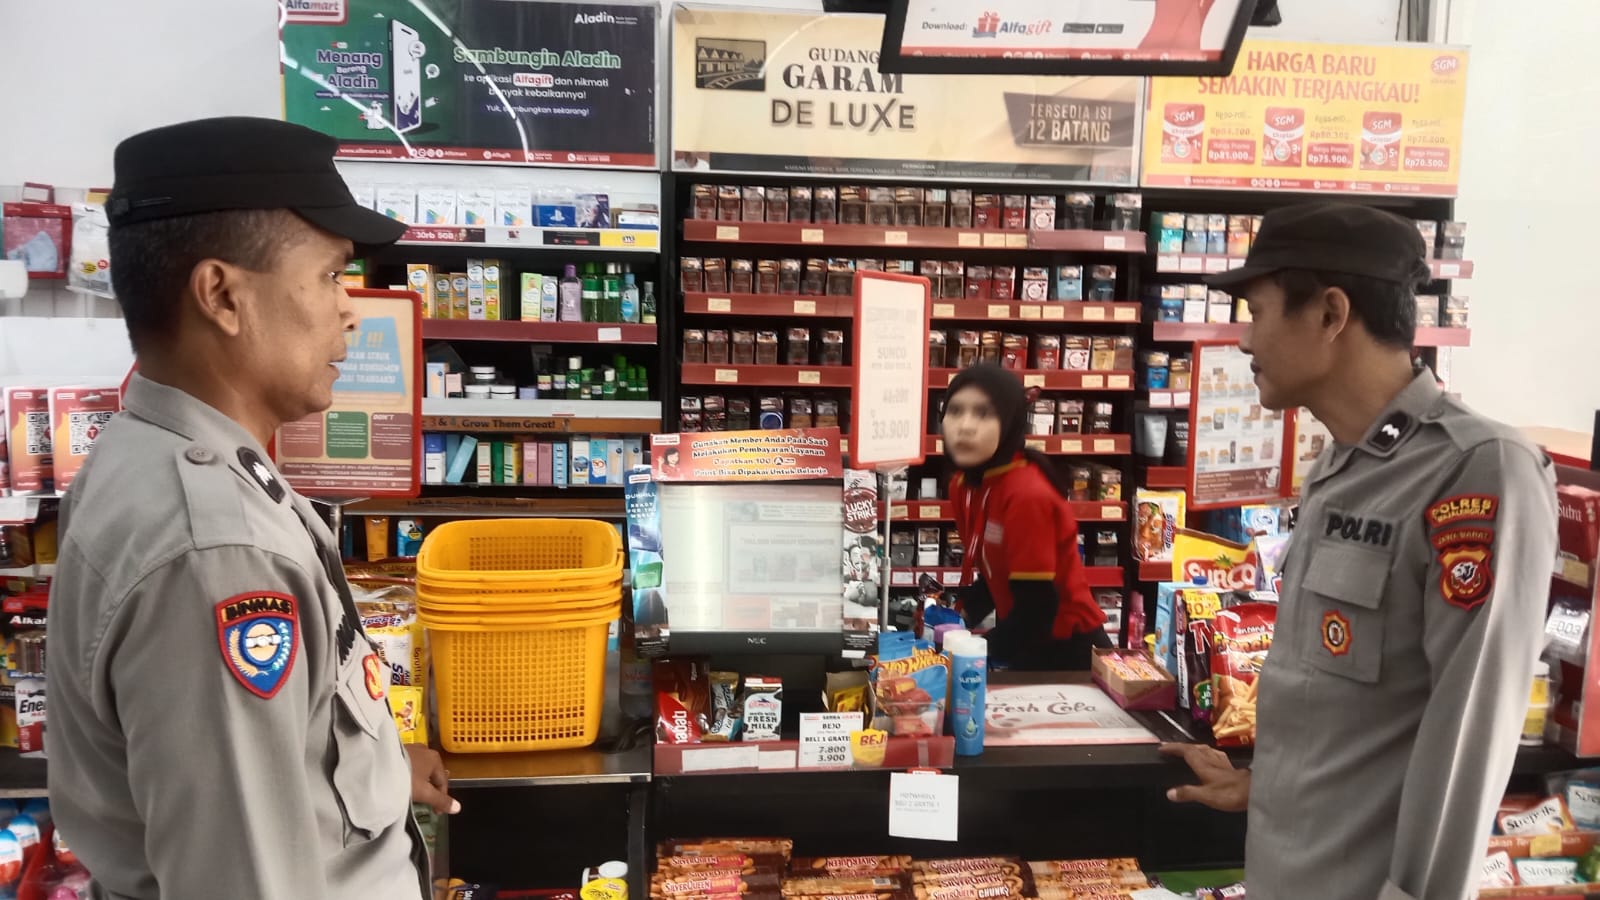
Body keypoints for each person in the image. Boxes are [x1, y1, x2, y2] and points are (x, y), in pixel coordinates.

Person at [46, 117, 456, 900]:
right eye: (330, 275)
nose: (351, 311)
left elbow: (257, 765)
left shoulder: (158, 453)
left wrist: (378, 769)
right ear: (222, 296)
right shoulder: (216, 551)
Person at [1161, 203, 1559, 900]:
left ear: (1330, 314)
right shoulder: (1338, 468)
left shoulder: (1477, 470)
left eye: (1257, 312)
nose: (1244, 339)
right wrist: (1267, 786)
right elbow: (1345, 706)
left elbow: (1468, 740)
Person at [942, 364, 1112, 670]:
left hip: (1070, 655)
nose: (964, 426)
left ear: (1009, 422)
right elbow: (998, 575)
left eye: (983, 413)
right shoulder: (965, 486)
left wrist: (970, 653)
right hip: (1027, 641)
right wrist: (956, 619)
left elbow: (1038, 607)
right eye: (954, 410)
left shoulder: (1026, 495)